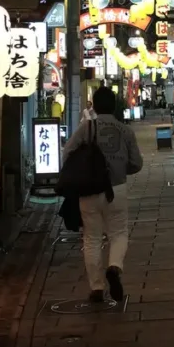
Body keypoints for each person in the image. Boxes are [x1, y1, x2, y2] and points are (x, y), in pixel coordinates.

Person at [62, 86, 143, 303]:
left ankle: (96, 288)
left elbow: (67, 151)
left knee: (91, 238)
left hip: (89, 189)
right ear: (115, 105)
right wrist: (119, 168)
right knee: (119, 232)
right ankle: (115, 266)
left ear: (94, 106)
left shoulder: (86, 128)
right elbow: (136, 163)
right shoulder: (125, 130)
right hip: (117, 189)